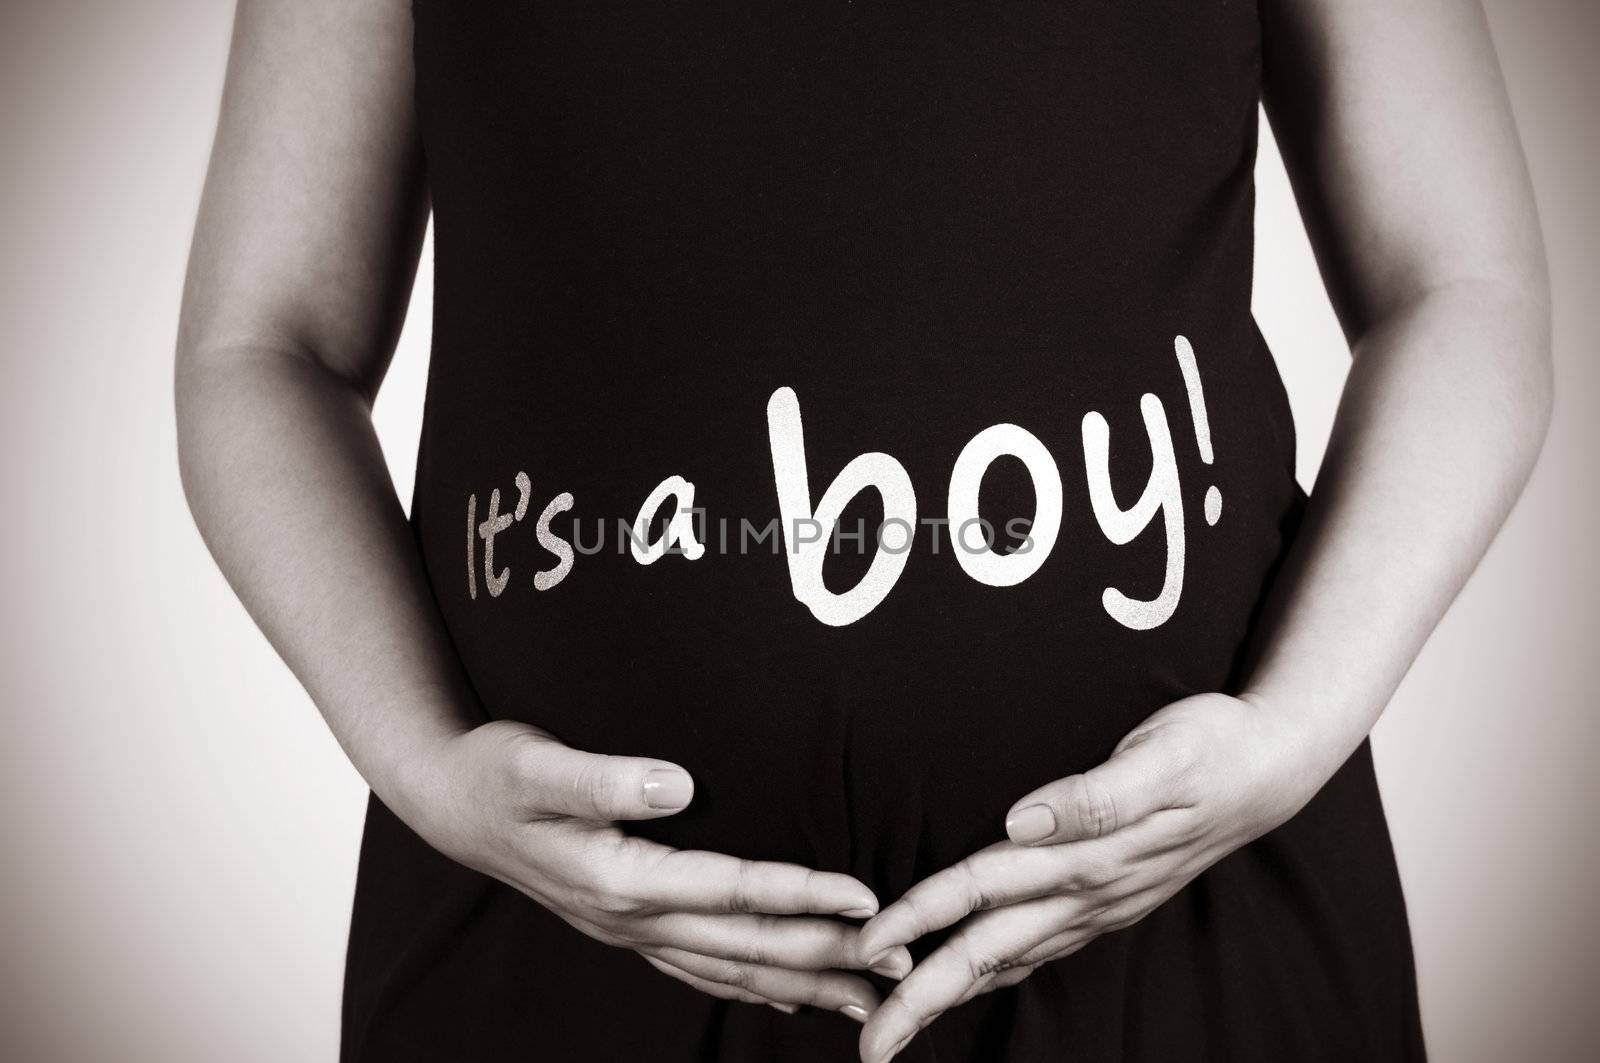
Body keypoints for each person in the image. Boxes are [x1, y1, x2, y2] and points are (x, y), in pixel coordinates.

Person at [175, 1, 1551, 1060]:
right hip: (551, 950)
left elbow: (1464, 285)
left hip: (1187, 932)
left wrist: (1290, 739)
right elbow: (263, 347)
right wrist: (423, 766)